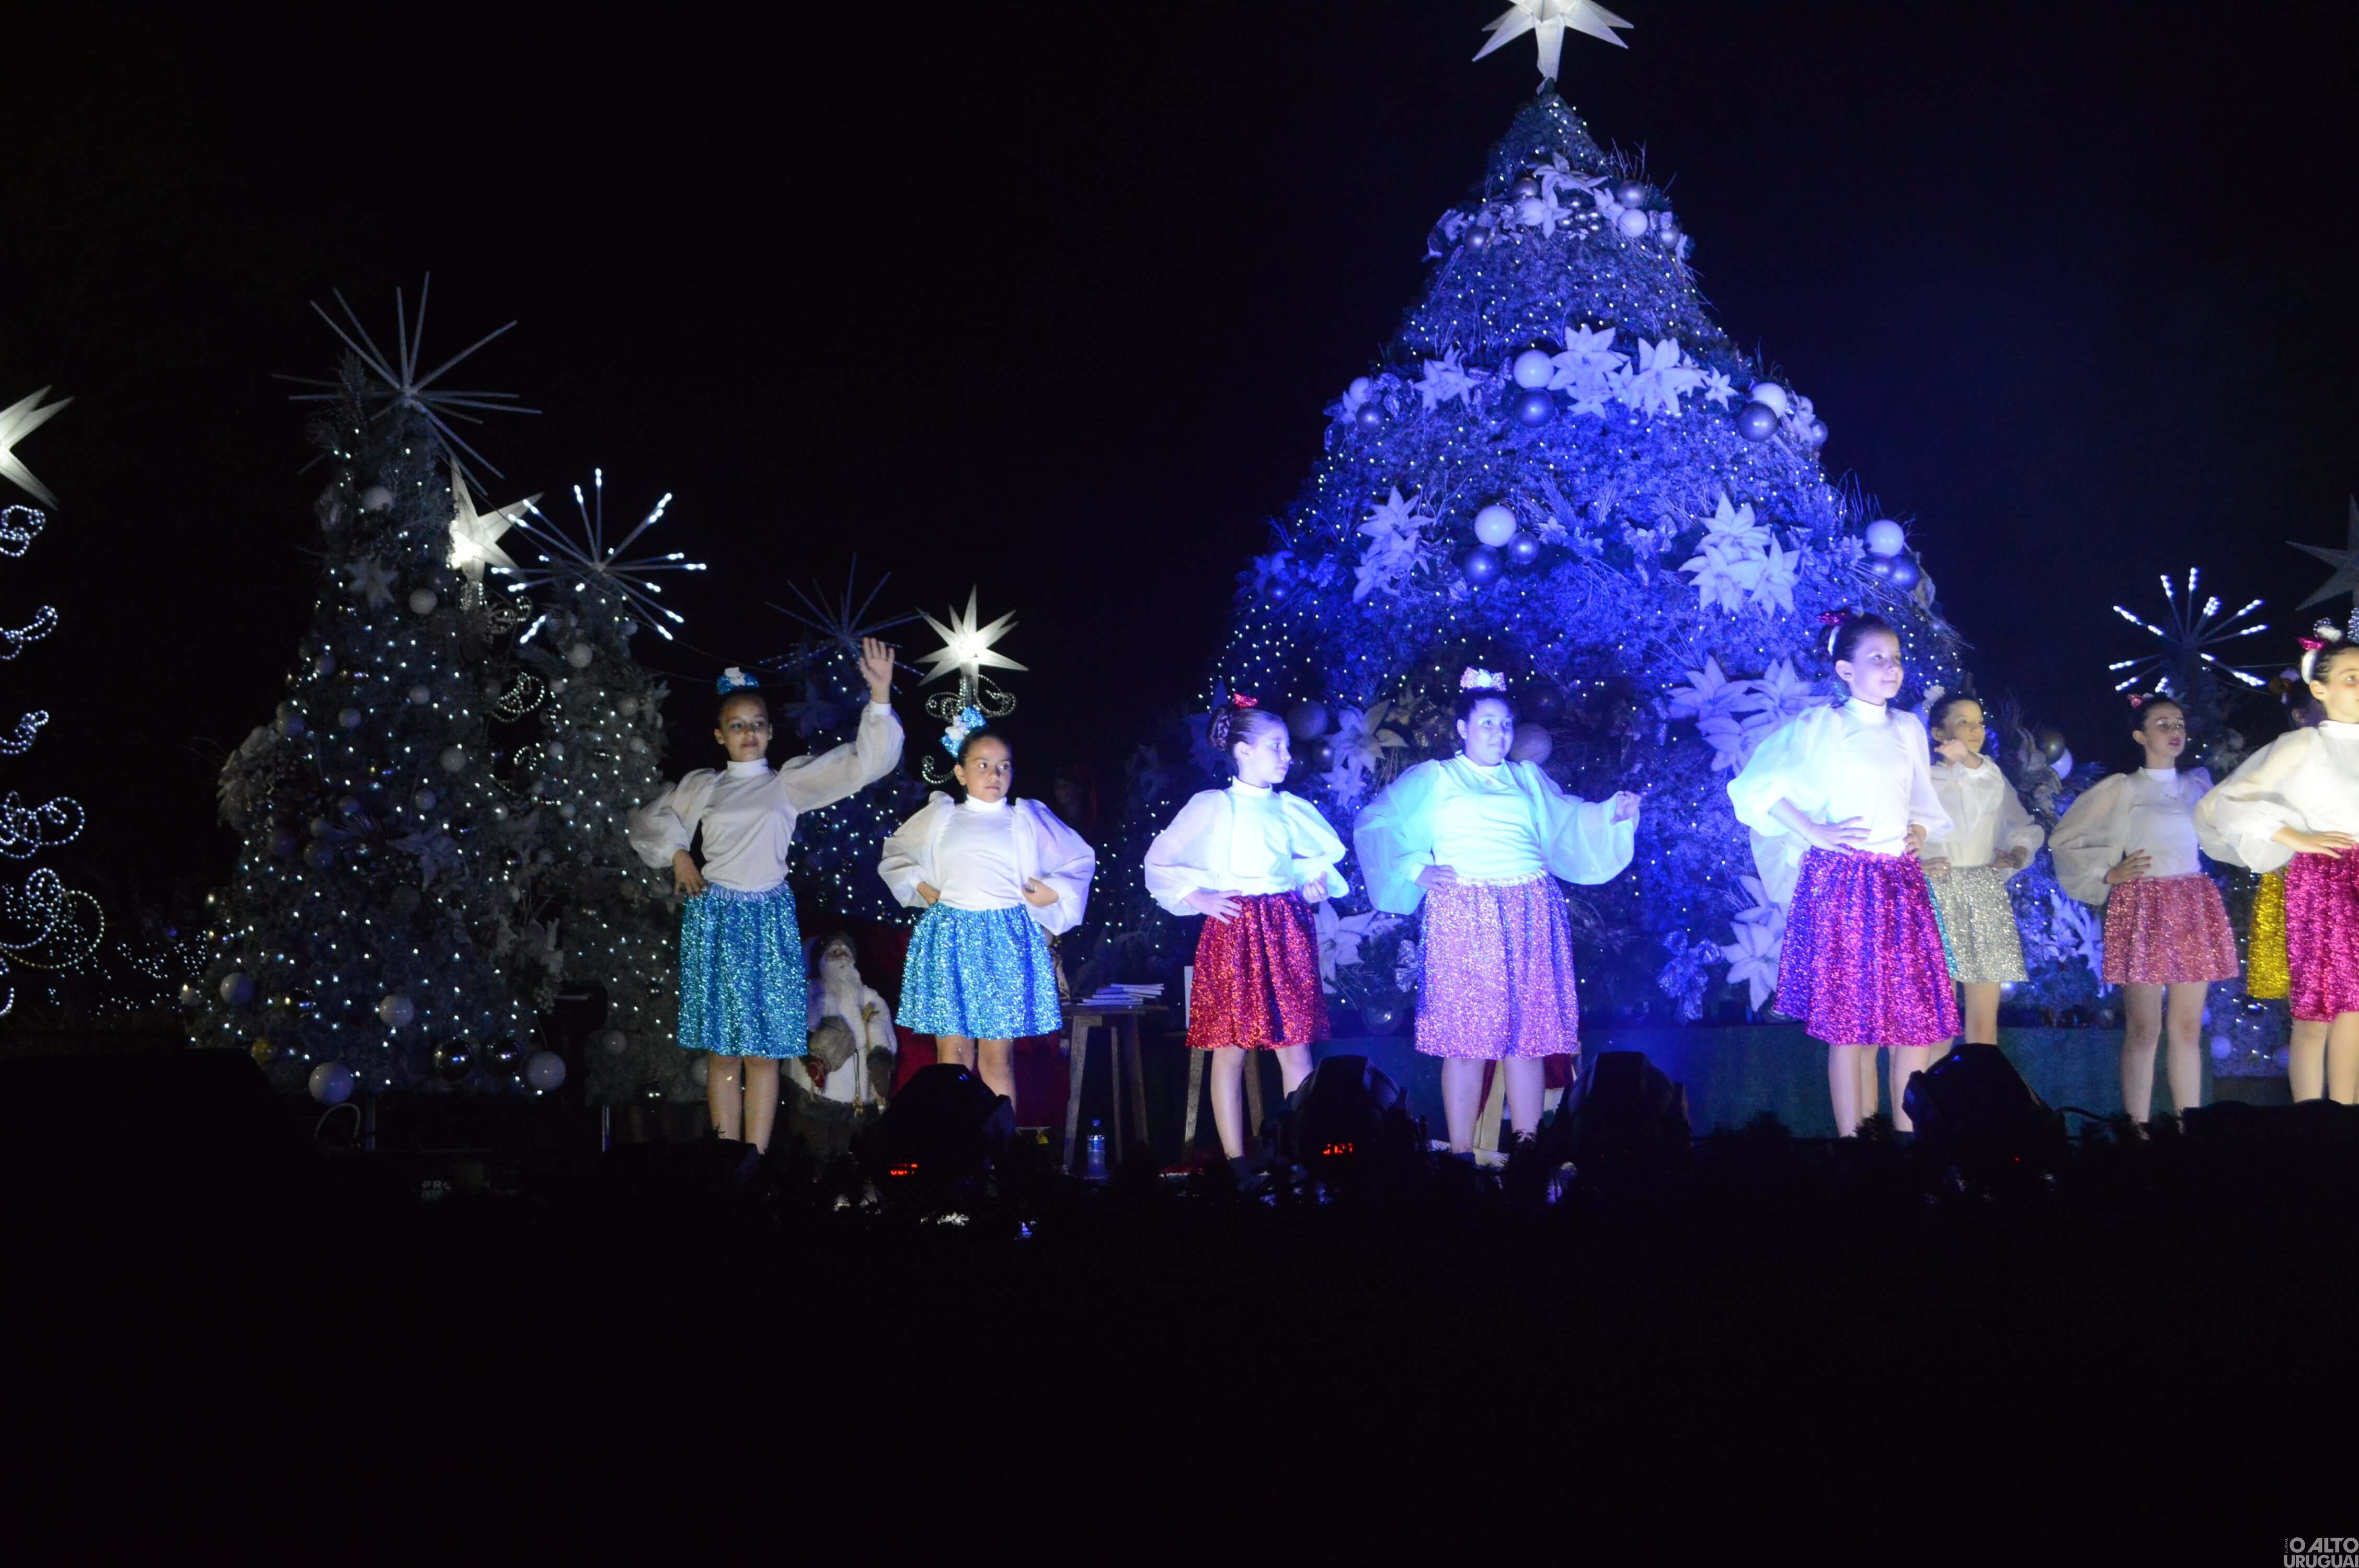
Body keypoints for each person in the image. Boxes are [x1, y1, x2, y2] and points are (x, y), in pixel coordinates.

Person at [627, 639, 902, 1155]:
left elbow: (861, 764)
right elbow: (647, 821)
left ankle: (753, 1159)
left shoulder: (788, 784)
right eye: (737, 725)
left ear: (770, 732)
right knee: (724, 1051)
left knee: (764, 1051)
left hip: (769, 921)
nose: (748, 733)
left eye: (757, 723)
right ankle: (725, 1155)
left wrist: (881, 695)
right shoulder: (704, 786)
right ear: (720, 735)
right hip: (719, 920)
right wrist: (680, 854)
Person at [1354, 668, 1639, 1155]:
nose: (1498, 734)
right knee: (1467, 1043)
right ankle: (1461, 1157)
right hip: (1466, 909)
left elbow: (1568, 816)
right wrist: (1416, 866)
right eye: (1487, 723)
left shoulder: (1526, 777)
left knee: (1525, 1042)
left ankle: (1527, 1154)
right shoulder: (1438, 777)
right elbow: (1380, 821)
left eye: (1505, 724)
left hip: (1530, 906)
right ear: (1463, 729)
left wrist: (1611, 813)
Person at [1727, 610, 1957, 1136]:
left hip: (1899, 884)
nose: (1890, 668)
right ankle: (1856, 1147)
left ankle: (1908, 1141)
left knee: (1912, 1018)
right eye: (1876, 658)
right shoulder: (1824, 726)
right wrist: (1813, 829)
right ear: (1845, 669)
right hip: (1845, 885)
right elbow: (1755, 786)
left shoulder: (1906, 728)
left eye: (1895, 659)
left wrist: (1918, 831)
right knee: (1849, 1024)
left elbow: (1921, 800)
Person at [1144, 694, 1348, 1169]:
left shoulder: (1288, 808)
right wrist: (1198, 897)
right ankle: (1236, 1160)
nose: (1286, 755)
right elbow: (1161, 860)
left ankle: (1302, 1152)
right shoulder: (1215, 806)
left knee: (1296, 1047)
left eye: (1286, 747)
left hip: (1284, 930)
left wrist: (1311, 888)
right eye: (1276, 746)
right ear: (1243, 752)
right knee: (1229, 1050)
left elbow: (1302, 871)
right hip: (1234, 929)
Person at [878, 728, 1094, 1107]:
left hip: (1003, 945)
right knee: (953, 1057)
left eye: (1003, 767)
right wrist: (924, 888)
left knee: (998, 1058)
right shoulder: (942, 817)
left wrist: (1053, 889)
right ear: (961, 773)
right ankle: (955, 1151)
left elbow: (1079, 859)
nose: (994, 775)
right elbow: (897, 854)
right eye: (983, 765)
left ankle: (1000, 1149)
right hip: (951, 941)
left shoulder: (1024, 819)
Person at [2049, 693, 2238, 1122]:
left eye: (2179, 723)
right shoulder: (2124, 788)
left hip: (2191, 901)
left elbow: (2230, 831)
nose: (2175, 731)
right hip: (2143, 906)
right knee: (2144, 1028)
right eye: (2163, 724)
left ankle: (2190, 1129)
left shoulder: (2198, 786)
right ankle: (2138, 1132)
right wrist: (2108, 873)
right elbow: (2067, 838)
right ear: (2140, 735)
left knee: (2187, 1028)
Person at [2197, 626, 2359, 1103]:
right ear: (2319, 690)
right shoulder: (2306, 745)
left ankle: (2347, 1117)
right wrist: (2297, 837)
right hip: (2326, 879)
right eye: (2351, 677)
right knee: (2319, 1011)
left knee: (2356, 1013)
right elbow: (2230, 800)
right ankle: (2313, 1121)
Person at [1919, 694, 2044, 1062]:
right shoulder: (1922, 778)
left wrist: (2017, 853)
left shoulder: (1989, 775)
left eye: (1978, 722)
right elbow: (1898, 835)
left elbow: (2017, 824)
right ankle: (1930, 1107)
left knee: (1984, 1023)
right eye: (1962, 722)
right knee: (1937, 1019)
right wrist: (1915, 867)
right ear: (1939, 731)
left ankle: (1980, 1105)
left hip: (1983, 894)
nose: (1974, 730)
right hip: (1934, 896)